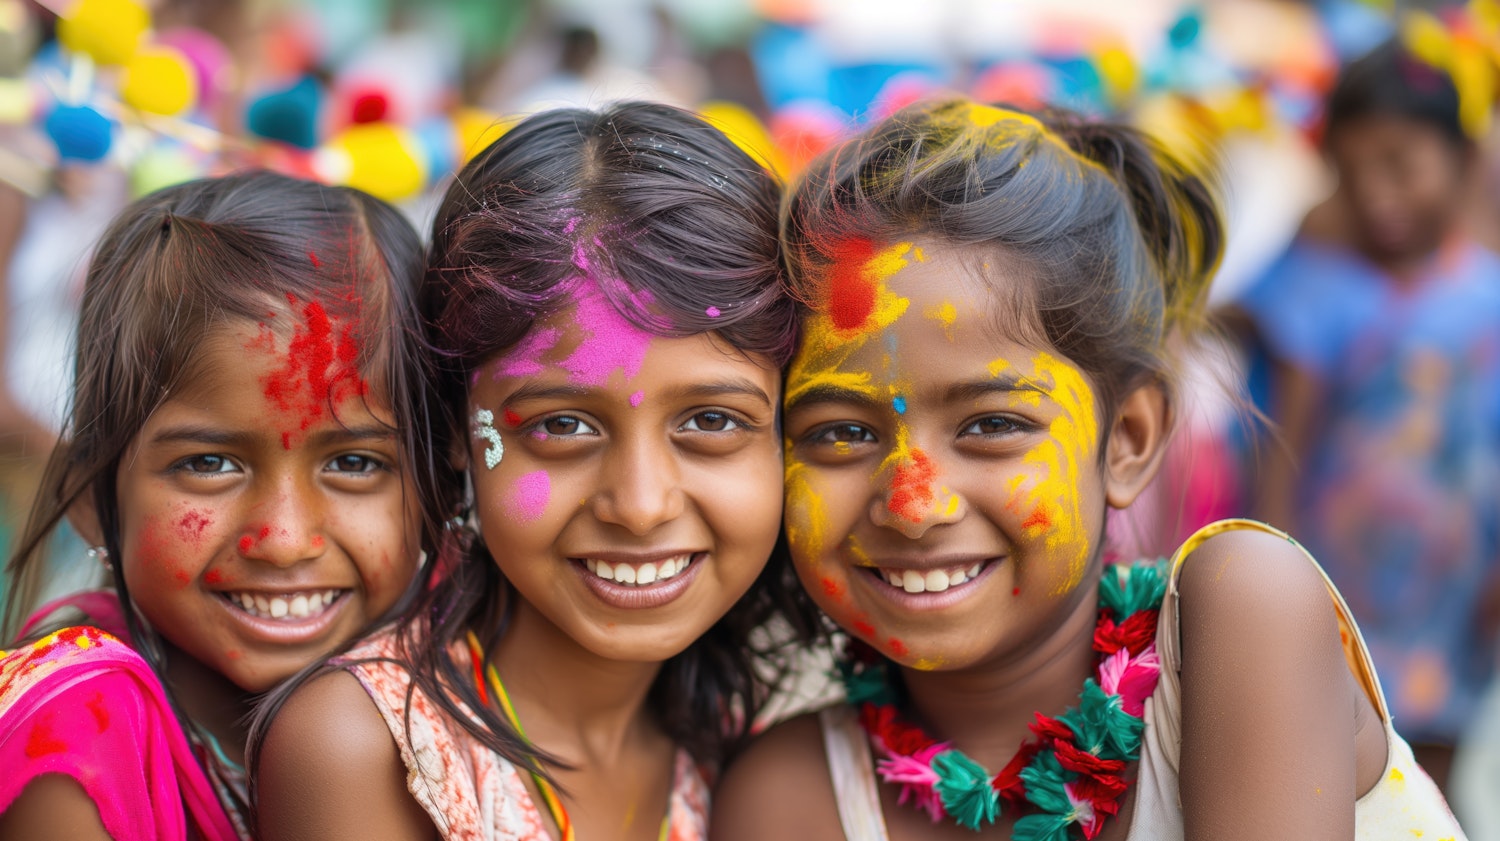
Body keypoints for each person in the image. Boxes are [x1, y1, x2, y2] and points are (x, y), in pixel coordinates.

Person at [711, 98, 1465, 840]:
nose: (915, 504)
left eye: (993, 425)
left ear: (1128, 441)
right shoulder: (786, 798)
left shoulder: (1241, 612)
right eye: (841, 432)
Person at [253, 101, 810, 841]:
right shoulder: (370, 748)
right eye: (561, 425)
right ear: (457, 430)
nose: (640, 506)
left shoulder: (743, 751)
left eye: (711, 421)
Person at [0, 170, 437, 841]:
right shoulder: (69, 733)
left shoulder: (456, 680)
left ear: (437, 484)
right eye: (209, 464)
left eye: (353, 462)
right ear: (91, 497)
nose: (285, 539)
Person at [1231, 41, 1500, 789]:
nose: (1377, 195)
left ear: (1465, 157)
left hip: (1455, 590)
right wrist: (1275, 569)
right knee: (1332, 771)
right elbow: (1279, 443)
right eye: (1351, 173)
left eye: (1401, 165)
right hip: (1331, 587)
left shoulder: (1489, 298)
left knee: (1433, 770)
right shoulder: (1312, 286)